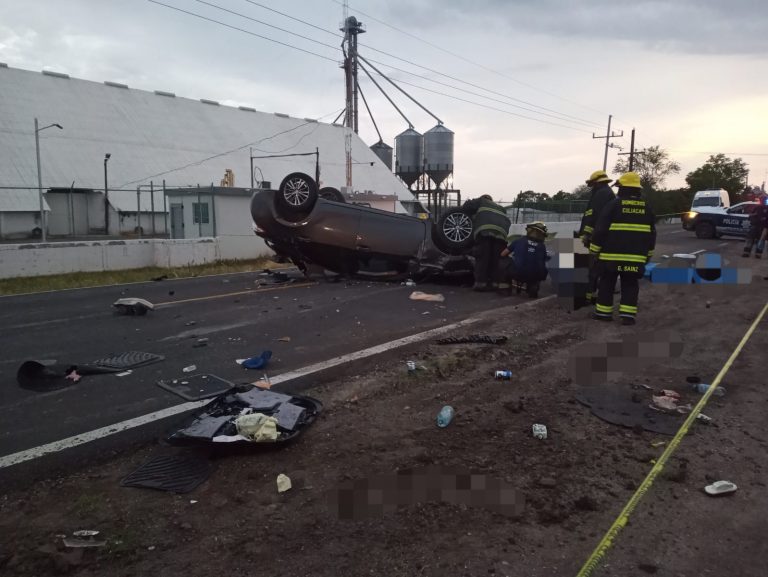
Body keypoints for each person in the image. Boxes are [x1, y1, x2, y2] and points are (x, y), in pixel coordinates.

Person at [589, 171, 656, 326]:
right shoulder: (647, 208)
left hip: (611, 257)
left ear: (623, 188)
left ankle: (604, 314)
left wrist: (594, 250)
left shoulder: (613, 205)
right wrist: (648, 255)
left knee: (607, 282)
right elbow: (652, 234)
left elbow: (600, 230)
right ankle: (628, 316)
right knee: (630, 284)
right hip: (636, 258)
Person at [579, 170, 616, 303]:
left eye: (592, 184)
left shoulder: (601, 194)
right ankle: (592, 294)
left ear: (597, 183)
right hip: (603, 235)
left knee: (592, 266)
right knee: (595, 266)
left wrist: (587, 234)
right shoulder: (607, 193)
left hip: (596, 236)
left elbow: (594, 216)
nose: (591, 187)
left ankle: (587, 296)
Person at [461, 194, 511, 291]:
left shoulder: (482, 201)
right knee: (496, 259)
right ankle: (495, 283)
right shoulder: (500, 208)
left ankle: (481, 284)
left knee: (483, 257)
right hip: (501, 233)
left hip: (486, 230)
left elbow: (467, 206)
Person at [500, 221, 549, 297]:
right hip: (537, 275)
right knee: (539, 267)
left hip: (518, 273)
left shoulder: (519, 240)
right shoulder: (542, 246)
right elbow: (544, 259)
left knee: (502, 262)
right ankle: (533, 286)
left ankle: (504, 289)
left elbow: (503, 254)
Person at [742, 192, 768, 259]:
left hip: (763, 228)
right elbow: (750, 216)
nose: (762, 200)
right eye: (761, 199)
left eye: (764, 199)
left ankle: (758, 254)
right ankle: (746, 253)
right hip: (754, 226)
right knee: (749, 240)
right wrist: (754, 215)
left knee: (761, 241)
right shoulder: (757, 208)